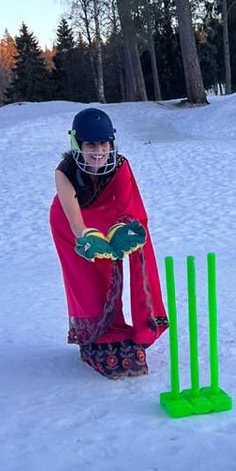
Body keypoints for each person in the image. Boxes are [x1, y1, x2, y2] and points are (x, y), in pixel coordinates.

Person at [49, 107, 167, 378]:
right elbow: (75, 222)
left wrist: (124, 234)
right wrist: (88, 238)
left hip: (109, 222)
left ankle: (128, 328)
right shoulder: (64, 172)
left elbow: (127, 210)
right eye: (91, 145)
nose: (99, 151)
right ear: (77, 144)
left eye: (104, 143)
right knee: (89, 283)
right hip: (70, 227)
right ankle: (93, 337)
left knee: (115, 271)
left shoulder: (121, 166)